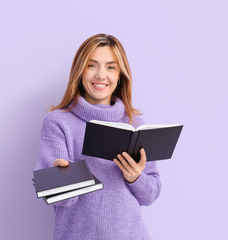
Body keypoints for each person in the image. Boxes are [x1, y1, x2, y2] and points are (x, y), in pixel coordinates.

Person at [36, 33, 161, 240]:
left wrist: (135, 178)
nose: (101, 75)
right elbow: (56, 198)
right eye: (92, 65)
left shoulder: (134, 124)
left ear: (120, 75)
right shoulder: (58, 122)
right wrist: (62, 177)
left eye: (111, 67)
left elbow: (150, 195)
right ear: (80, 71)